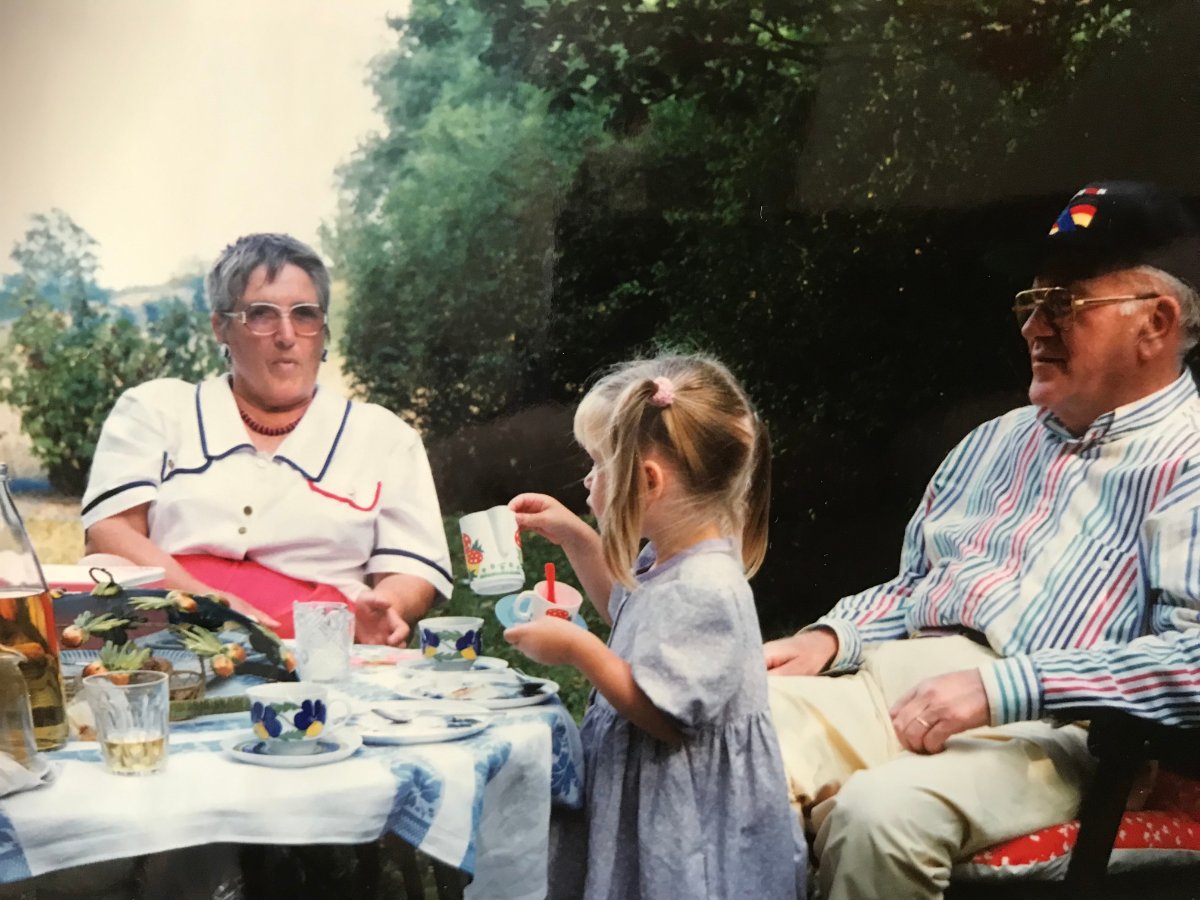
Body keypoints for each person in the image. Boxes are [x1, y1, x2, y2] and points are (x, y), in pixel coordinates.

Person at [764, 181, 1200, 899]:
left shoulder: (1189, 463)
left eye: (1065, 304)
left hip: (1063, 733)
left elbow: (1192, 659)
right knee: (727, 732)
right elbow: (917, 586)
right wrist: (832, 637)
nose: (1034, 328)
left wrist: (1003, 688)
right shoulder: (993, 441)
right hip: (898, 683)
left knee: (881, 818)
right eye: (1031, 303)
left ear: (1156, 322)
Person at [505, 354, 801, 900]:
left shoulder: (705, 587)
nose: (588, 478)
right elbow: (626, 610)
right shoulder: (668, 558)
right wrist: (575, 536)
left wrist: (578, 649)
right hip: (655, 794)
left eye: (599, 463)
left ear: (647, 480)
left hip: (688, 821)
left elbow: (668, 718)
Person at [80, 233, 452, 644]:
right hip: (170, 640)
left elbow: (411, 569)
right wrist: (206, 603)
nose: (287, 335)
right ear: (221, 327)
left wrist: (386, 605)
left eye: (305, 315)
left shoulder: (385, 438)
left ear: (324, 330)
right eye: (261, 315)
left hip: (320, 647)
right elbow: (110, 532)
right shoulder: (156, 410)